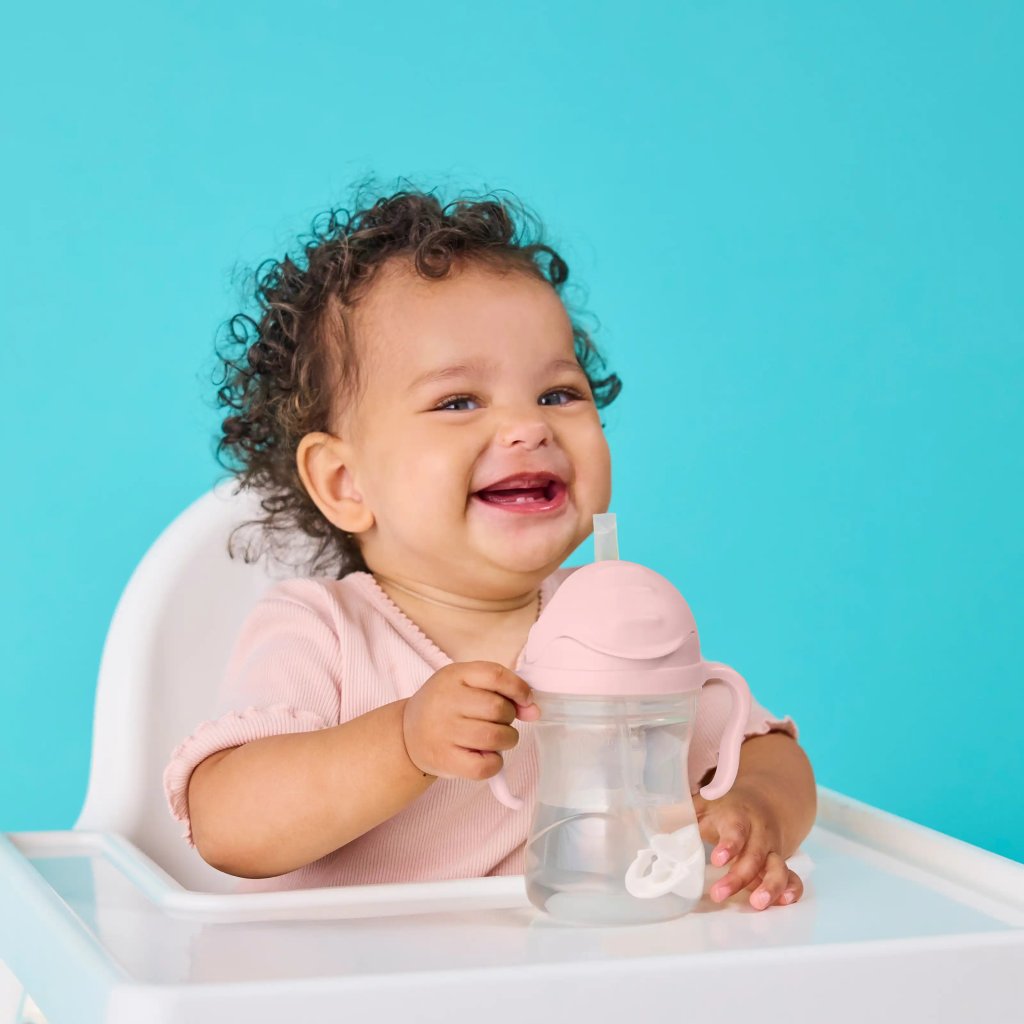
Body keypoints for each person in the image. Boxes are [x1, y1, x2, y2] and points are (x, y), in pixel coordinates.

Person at [163, 181, 817, 910]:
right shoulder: (323, 633)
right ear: (346, 482)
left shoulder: (612, 621)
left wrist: (756, 813)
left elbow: (767, 751)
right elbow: (228, 824)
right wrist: (403, 741)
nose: (529, 427)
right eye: (458, 401)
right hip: (359, 968)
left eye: (558, 394)